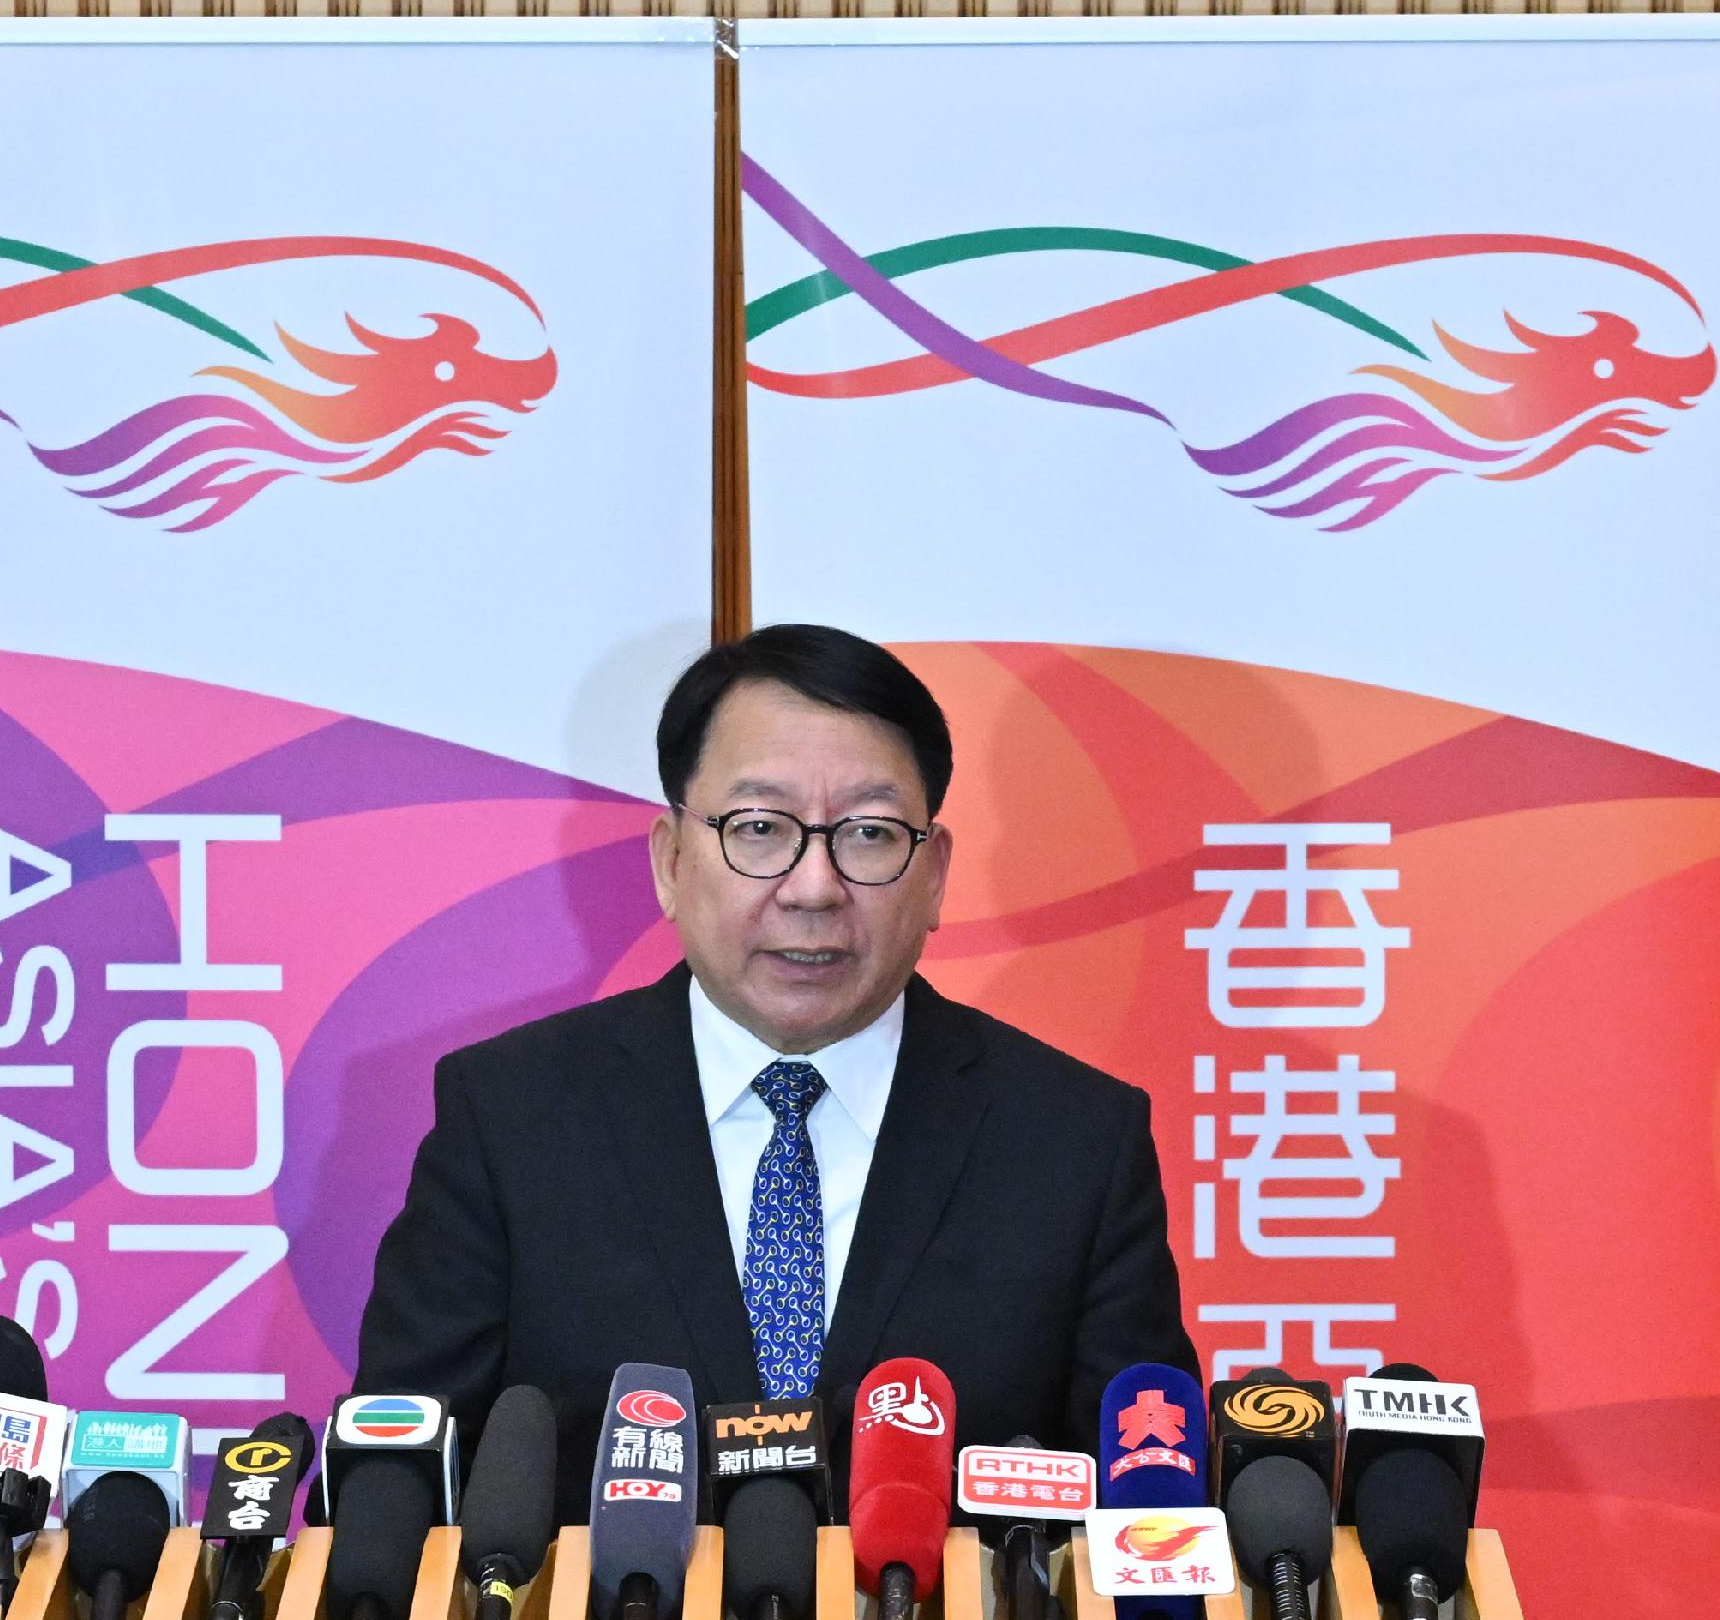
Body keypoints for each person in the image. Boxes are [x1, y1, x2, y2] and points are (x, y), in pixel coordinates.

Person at [360, 623, 1194, 1506]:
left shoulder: (1074, 1144)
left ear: (936, 873)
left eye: (869, 834)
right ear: (672, 861)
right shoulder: (510, 1120)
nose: (813, 886)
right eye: (760, 828)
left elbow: (1152, 1514)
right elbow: (388, 1495)